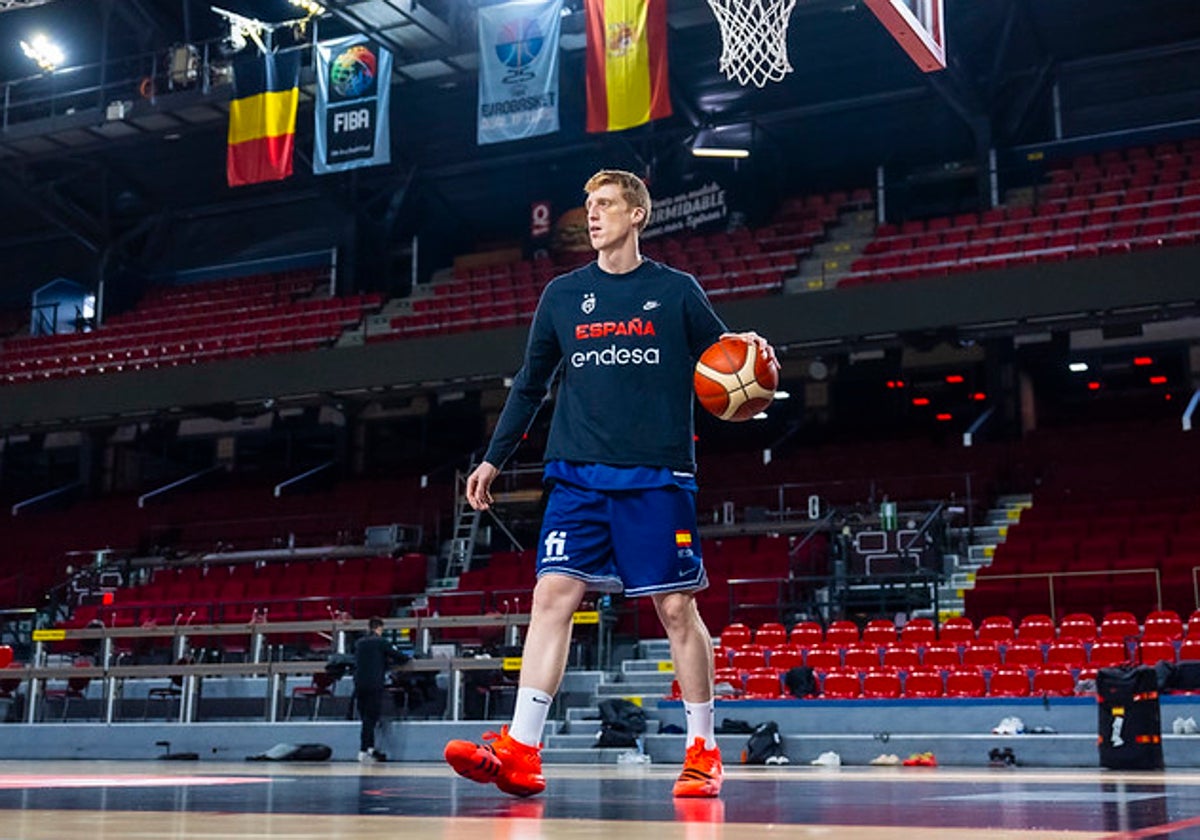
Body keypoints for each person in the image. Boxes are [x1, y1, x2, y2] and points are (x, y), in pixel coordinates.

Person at [444, 169, 778, 799]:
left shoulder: (676, 291)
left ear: (637, 216)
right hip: (575, 475)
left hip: (656, 474)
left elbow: (726, 363)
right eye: (589, 206)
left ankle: (704, 749)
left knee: (676, 609)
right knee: (551, 597)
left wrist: (754, 355)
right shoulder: (562, 296)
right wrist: (494, 456)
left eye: (605, 205)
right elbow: (530, 382)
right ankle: (520, 749)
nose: (592, 216)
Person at [354, 616, 408, 763]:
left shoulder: (359, 643)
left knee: (365, 717)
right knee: (370, 718)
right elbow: (400, 657)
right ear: (379, 628)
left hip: (359, 683)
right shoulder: (380, 642)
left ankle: (369, 747)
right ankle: (365, 750)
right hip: (374, 683)